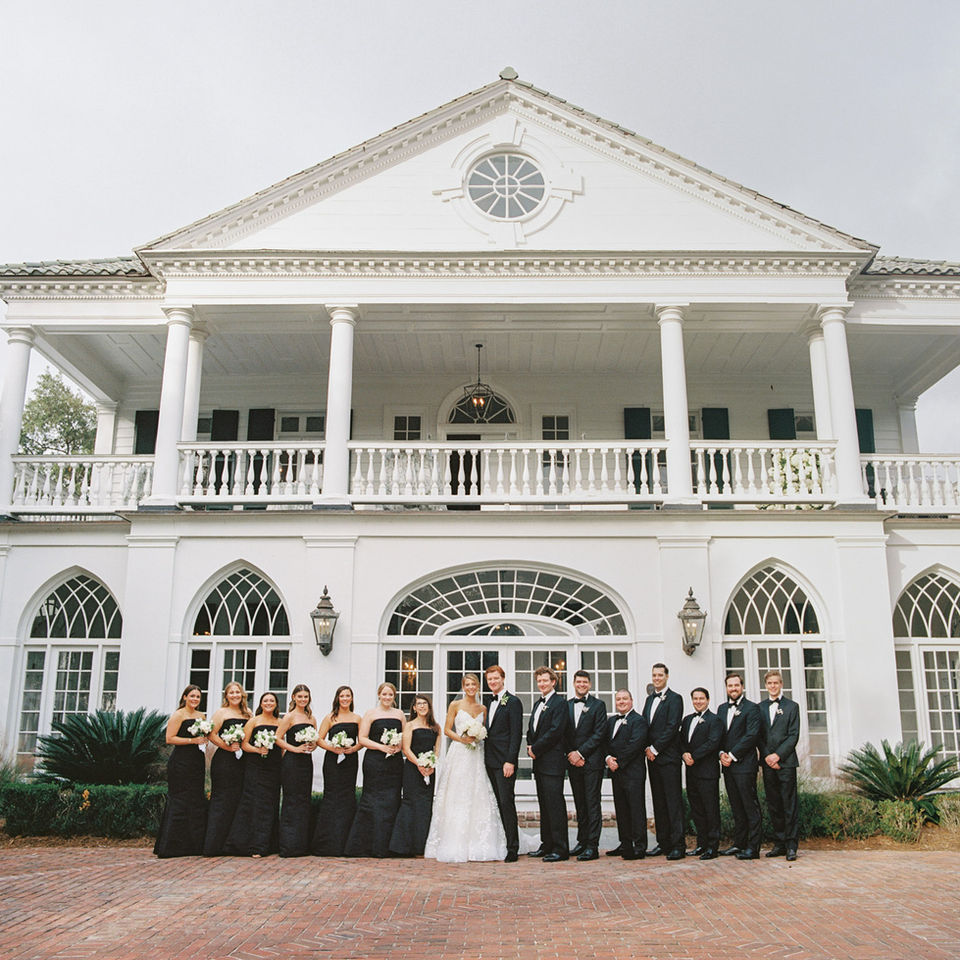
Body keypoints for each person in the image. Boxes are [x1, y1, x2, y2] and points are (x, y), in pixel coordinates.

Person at [425, 673, 507, 862]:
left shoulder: (483, 708)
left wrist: (477, 736)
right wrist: (462, 738)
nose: (471, 687)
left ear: (478, 686)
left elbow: (485, 731)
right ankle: (454, 840)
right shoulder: (455, 705)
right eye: (467, 684)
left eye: (474, 684)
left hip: (476, 754)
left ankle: (480, 841)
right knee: (457, 793)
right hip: (460, 753)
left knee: (478, 792)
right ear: (463, 687)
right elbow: (446, 729)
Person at [345, 681, 405, 857]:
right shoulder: (370, 714)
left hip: (394, 763)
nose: (387, 697)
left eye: (391, 695)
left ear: (394, 697)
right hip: (375, 762)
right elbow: (362, 738)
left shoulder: (400, 714)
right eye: (384, 694)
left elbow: (404, 736)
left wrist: (397, 746)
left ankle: (389, 846)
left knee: (391, 800)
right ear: (379, 695)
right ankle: (367, 845)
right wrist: (381, 747)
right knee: (373, 800)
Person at [224, 692, 282, 857]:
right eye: (266, 700)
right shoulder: (253, 721)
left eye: (272, 700)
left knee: (270, 804)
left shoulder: (280, 722)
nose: (269, 703)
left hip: (273, 767)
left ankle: (268, 844)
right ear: (261, 704)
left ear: (276, 704)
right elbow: (244, 744)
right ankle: (252, 845)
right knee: (255, 803)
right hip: (256, 767)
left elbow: (282, 744)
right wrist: (258, 750)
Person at [153, 684, 209, 858]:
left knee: (195, 799)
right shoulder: (179, 715)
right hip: (181, 762)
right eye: (192, 696)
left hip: (196, 762)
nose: (195, 699)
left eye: (198, 697)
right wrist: (193, 741)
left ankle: (193, 844)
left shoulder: (201, 715)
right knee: (179, 799)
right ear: (185, 697)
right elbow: (170, 738)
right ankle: (171, 845)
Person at [203, 681, 252, 856]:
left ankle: (235, 843)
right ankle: (214, 844)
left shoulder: (247, 714)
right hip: (224, 761)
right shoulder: (221, 713)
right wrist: (226, 746)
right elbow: (211, 734)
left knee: (239, 799)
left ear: (242, 695)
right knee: (222, 799)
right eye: (231, 693)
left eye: (237, 692)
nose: (235, 695)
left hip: (243, 761)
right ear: (226, 695)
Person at [312, 685, 362, 856]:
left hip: (350, 760)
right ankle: (327, 843)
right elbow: (319, 738)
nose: (345, 699)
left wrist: (353, 749)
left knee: (347, 796)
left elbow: (361, 740)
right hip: (333, 761)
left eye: (348, 696)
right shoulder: (330, 718)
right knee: (332, 796)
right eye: (342, 696)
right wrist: (333, 748)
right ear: (337, 698)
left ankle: (346, 842)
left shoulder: (357, 718)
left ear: (352, 698)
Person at [641, 662, 684, 860]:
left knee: (672, 802)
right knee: (659, 801)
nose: (657, 678)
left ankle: (678, 845)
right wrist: (645, 748)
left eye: (660, 675)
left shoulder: (675, 699)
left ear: (667, 676)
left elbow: (672, 726)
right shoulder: (650, 700)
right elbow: (644, 726)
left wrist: (655, 749)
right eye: (654, 675)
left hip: (668, 758)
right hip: (652, 759)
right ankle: (663, 842)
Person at [526, 665, 570, 862]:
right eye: (539, 681)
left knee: (555, 805)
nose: (542, 684)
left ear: (554, 682)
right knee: (544, 805)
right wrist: (529, 743)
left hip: (552, 762)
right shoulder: (538, 704)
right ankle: (547, 844)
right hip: (540, 763)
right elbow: (532, 729)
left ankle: (560, 848)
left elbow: (555, 731)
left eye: (545, 680)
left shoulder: (560, 703)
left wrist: (536, 749)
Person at [717, 672, 762, 860]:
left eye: (736, 685)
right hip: (727, 765)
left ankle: (753, 848)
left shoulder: (752, 708)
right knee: (736, 807)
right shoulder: (721, 709)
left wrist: (733, 755)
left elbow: (751, 736)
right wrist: (720, 754)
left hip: (744, 765)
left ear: (742, 686)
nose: (733, 689)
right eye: (730, 686)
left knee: (749, 807)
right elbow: (718, 734)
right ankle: (739, 844)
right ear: (726, 688)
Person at [389, 694, 441, 856]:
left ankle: (422, 845)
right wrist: (419, 764)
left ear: (429, 706)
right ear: (414, 708)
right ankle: (403, 846)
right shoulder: (410, 725)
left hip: (429, 770)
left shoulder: (436, 727)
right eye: (419, 704)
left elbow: (437, 750)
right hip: (412, 769)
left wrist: (431, 764)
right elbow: (406, 749)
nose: (422, 707)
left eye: (425, 704)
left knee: (425, 805)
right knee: (410, 804)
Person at [564, 669, 608, 861]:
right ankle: (581, 842)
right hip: (573, 763)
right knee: (580, 804)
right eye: (578, 682)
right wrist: (570, 754)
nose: (581, 685)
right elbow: (563, 733)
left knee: (592, 803)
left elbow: (599, 734)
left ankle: (592, 845)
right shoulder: (566, 706)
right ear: (574, 684)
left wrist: (580, 753)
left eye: (585, 682)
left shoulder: (598, 705)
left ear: (589, 684)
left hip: (591, 762)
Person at [758, 670, 801, 861]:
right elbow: (758, 736)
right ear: (766, 685)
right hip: (768, 763)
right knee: (774, 804)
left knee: (788, 804)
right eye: (770, 683)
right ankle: (779, 843)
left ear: (781, 684)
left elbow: (793, 736)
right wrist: (767, 756)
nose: (773, 686)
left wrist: (777, 756)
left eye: (776, 683)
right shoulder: (759, 708)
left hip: (786, 763)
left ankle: (792, 846)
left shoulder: (792, 707)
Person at [483, 664, 523, 863]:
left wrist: (510, 760)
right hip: (488, 761)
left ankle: (512, 847)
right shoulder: (487, 702)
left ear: (503, 678)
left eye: (495, 678)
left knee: (507, 803)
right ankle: (499, 843)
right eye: (489, 679)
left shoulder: (512, 702)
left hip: (504, 762)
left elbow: (516, 735)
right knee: (496, 804)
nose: (492, 682)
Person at [604, 689, 648, 860]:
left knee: (636, 808)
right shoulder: (611, 721)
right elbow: (604, 742)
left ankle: (639, 846)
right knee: (621, 809)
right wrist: (608, 758)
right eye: (618, 699)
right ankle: (625, 843)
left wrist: (619, 762)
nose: (621, 702)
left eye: (624, 699)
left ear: (631, 700)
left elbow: (635, 744)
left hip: (633, 772)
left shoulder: (639, 721)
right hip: (616, 772)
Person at [680, 686, 723, 860]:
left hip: (707, 772)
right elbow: (681, 740)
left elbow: (713, 743)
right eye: (695, 698)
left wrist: (694, 756)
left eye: (701, 698)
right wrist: (684, 754)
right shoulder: (687, 720)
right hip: (691, 771)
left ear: (708, 700)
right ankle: (701, 844)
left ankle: (713, 847)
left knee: (710, 809)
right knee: (697, 809)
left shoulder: (715, 720)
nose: (698, 701)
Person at [276, 683, 318, 857]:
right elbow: (277, 738)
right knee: (291, 801)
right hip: (292, 762)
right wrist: (294, 749)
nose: (303, 699)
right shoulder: (289, 717)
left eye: (305, 697)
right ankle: (288, 845)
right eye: (300, 696)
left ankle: (301, 844)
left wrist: (311, 747)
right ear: (293, 697)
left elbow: (315, 742)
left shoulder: (311, 718)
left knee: (303, 800)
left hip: (306, 762)